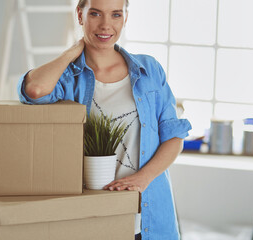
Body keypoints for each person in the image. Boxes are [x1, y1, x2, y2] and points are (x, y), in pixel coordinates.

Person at [17, 0, 192, 239]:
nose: (106, 25)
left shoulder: (149, 70)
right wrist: (72, 51)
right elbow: (35, 90)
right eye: (96, 14)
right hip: (92, 215)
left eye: (116, 15)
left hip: (147, 216)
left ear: (125, 18)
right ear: (80, 15)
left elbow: (174, 137)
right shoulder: (69, 78)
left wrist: (142, 179)